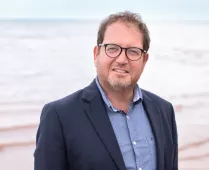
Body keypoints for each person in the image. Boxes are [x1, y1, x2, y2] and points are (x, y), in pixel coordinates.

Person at [34, 11, 178, 170]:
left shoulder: (164, 110)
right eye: (112, 48)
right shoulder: (59, 116)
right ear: (97, 54)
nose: (122, 60)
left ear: (144, 60)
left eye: (133, 51)